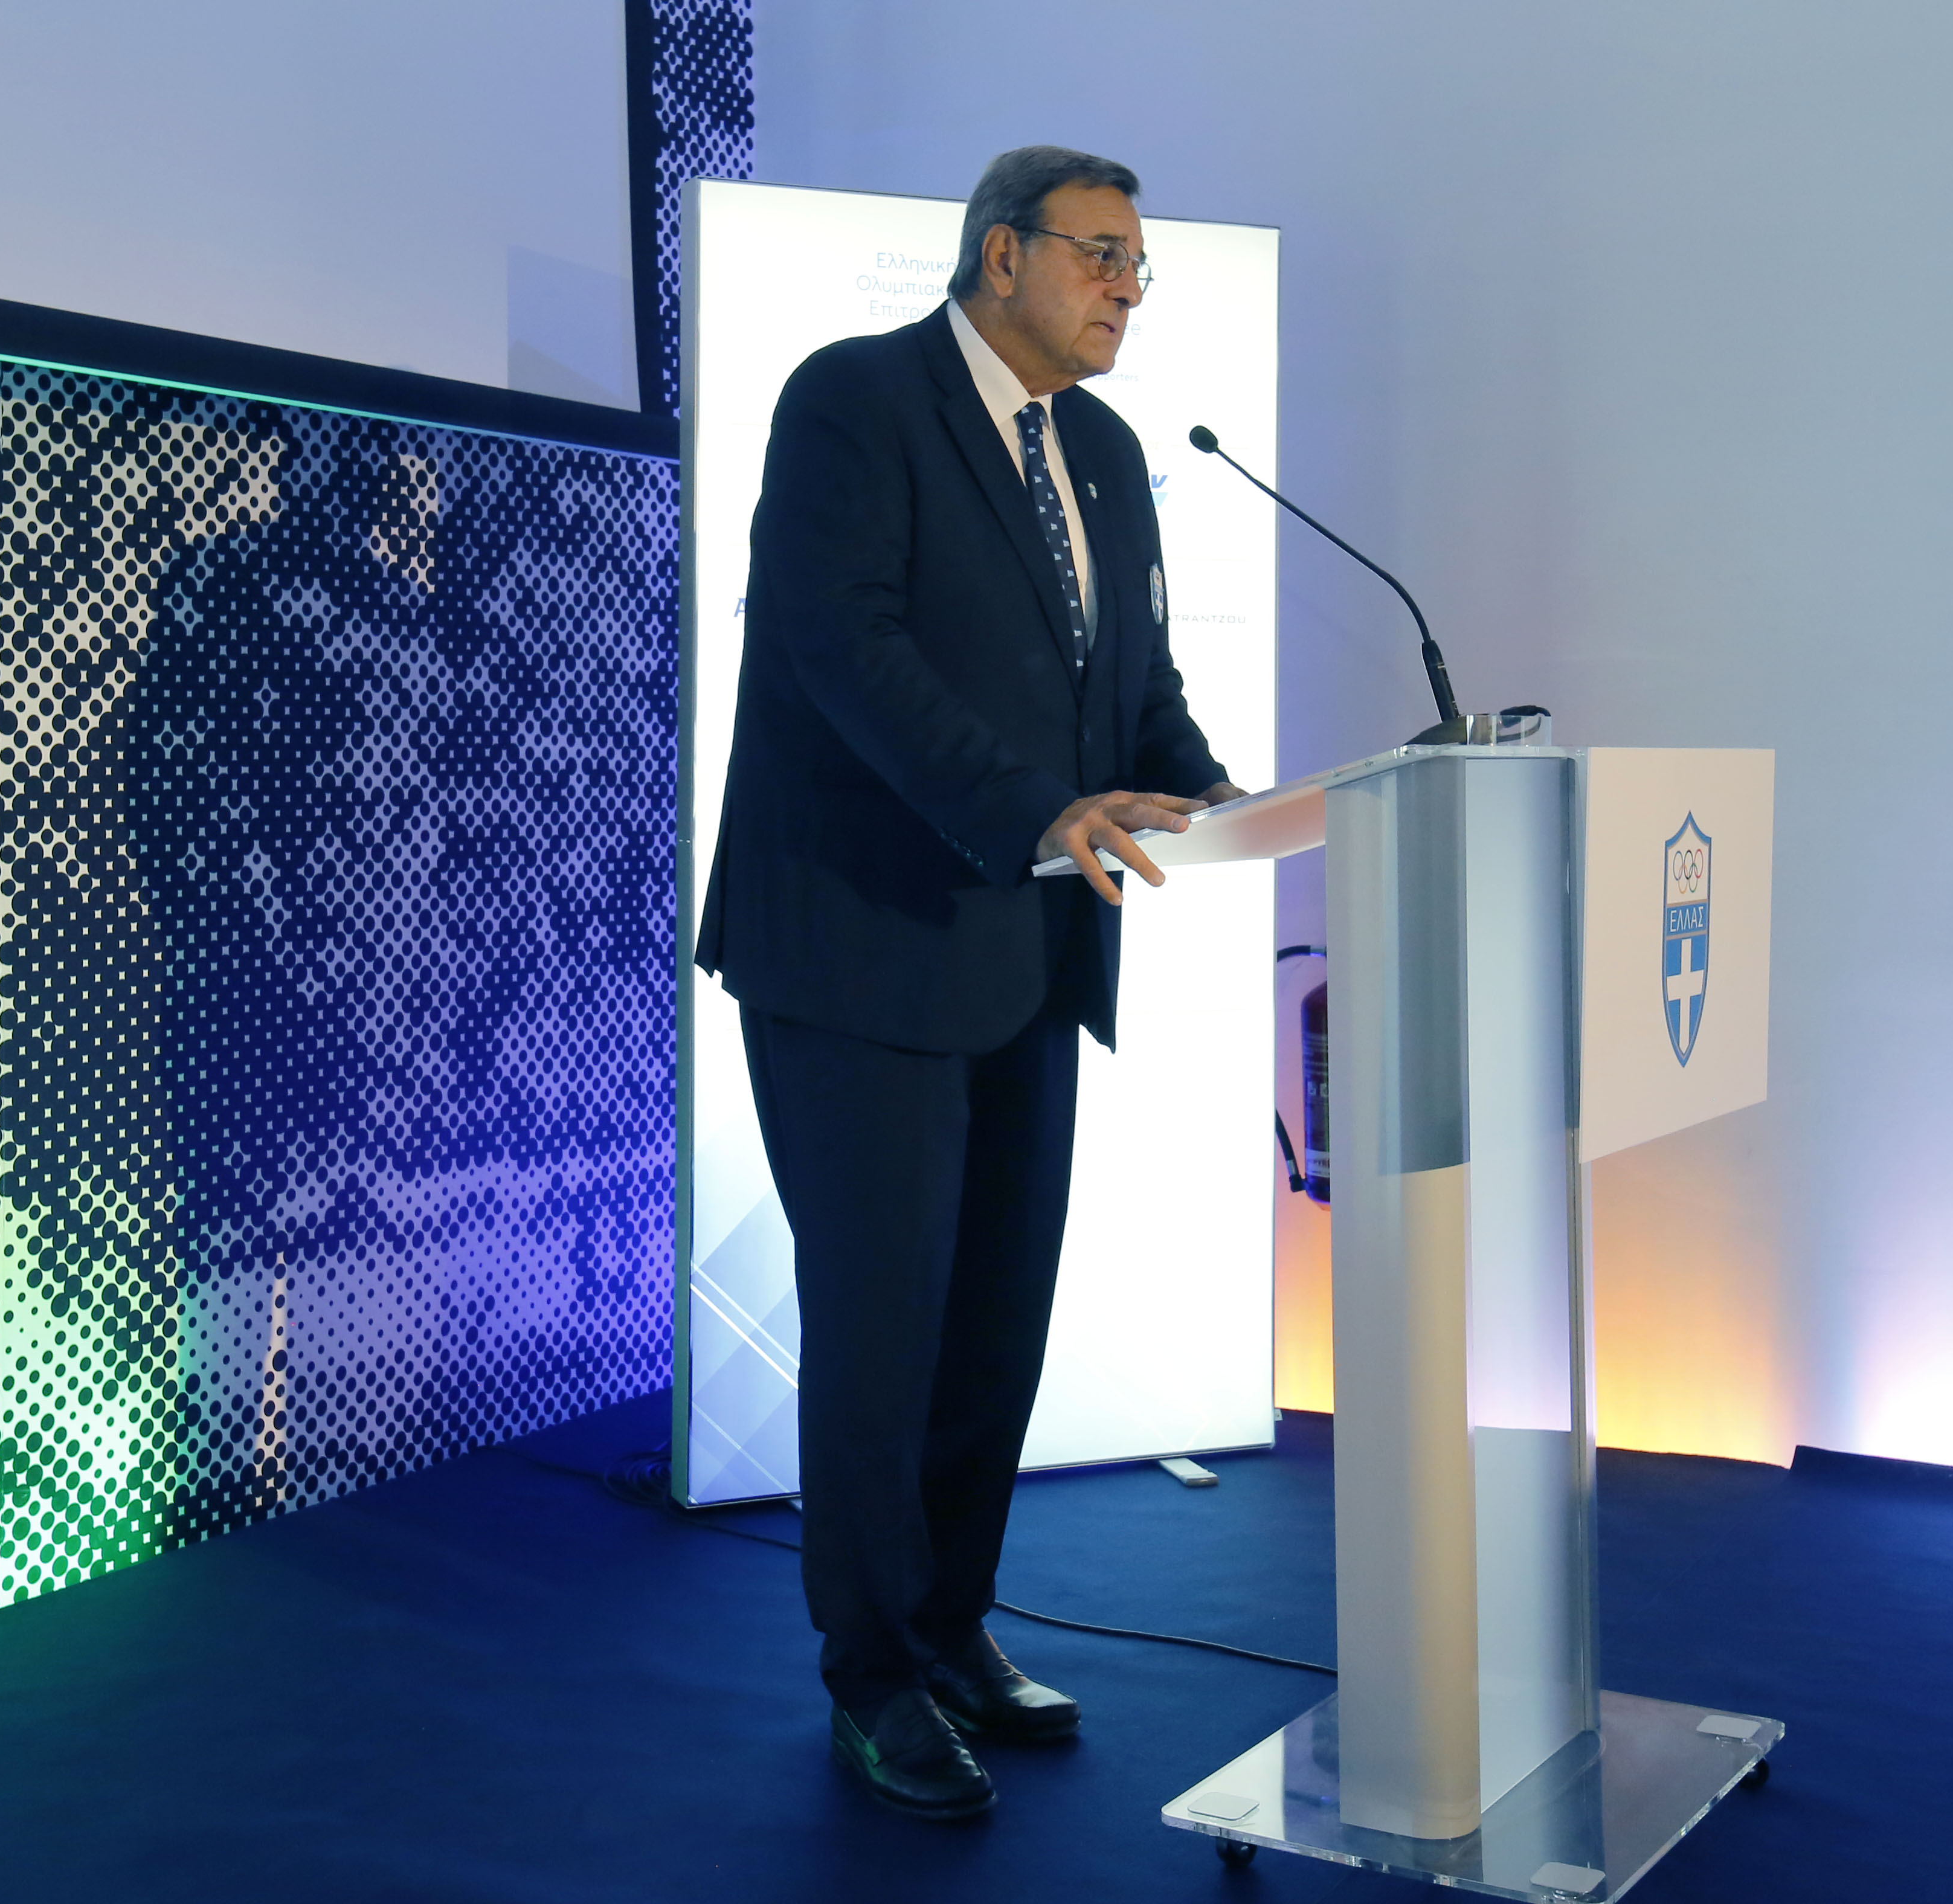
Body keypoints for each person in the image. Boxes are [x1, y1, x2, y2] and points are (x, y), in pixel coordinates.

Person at [695, 145, 1244, 1819]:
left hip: (1028, 952)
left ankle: (950, 1629)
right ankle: (871, 1675)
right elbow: (842, 648)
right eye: (1101, 254)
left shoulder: (1111, 452)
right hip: (860, 943)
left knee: (995, 1320)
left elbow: (1130, 683)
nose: (1128, 288)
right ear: (1001, 256)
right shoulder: (856, 401)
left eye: (1140, 266)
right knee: (885, 1328)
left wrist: (1226, 798)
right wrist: (1030, 811)